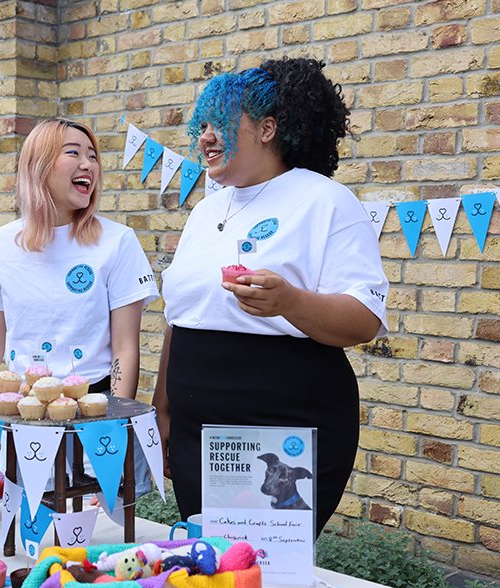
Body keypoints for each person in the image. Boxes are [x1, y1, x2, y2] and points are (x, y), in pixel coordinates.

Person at [153, 58, 389, 535]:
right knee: (212, 562)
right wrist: (162, 410)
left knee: (265, 564)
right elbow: (180, 319)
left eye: (219, 123)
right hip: (198, 426)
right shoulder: (204, 211)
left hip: (284, 423)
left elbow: (365, 319)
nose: (204, 136)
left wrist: (291, 303)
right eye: (200, 125)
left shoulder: (325, 201)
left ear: (267, 128)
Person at [0, 118, 158, 496]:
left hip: (98, 418)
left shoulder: (118, 242)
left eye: (93, 156)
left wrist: (112, 425)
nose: (88, 164)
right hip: (26, 423)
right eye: (73, 153)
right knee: (32, 538)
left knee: (102, 543)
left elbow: (125, 346)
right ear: (39, 165)